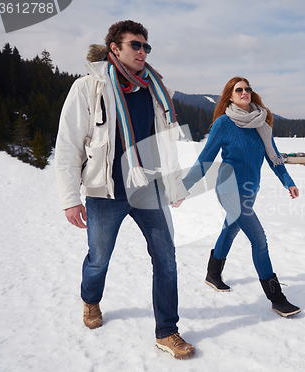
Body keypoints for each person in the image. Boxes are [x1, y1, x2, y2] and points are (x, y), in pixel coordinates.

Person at [54, 20, 195, 360]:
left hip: (148, 190)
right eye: (136, 45)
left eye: (147, 47)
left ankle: (167, 331)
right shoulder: (90, 88)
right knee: (99, 259)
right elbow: (69, 145)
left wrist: (174, 184)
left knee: (166, 259)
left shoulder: (155, 90)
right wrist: (71, 199)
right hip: (106, 193)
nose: (143, 52)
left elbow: (165, 145)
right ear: (115, 48)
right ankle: (91, 299)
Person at [183, 77, 301, 317]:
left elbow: (274, 158)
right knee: (259, 239)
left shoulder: (261, 123)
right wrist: (184, 186)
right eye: (239, 89)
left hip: (250, 189)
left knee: (231, 229)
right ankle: (276, 297)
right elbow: (205, 159)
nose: (245, 92)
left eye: (248, 89)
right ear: (230, 96)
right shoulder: (223, 123)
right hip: (228, 189)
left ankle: (212, 274)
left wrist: (288, 181)